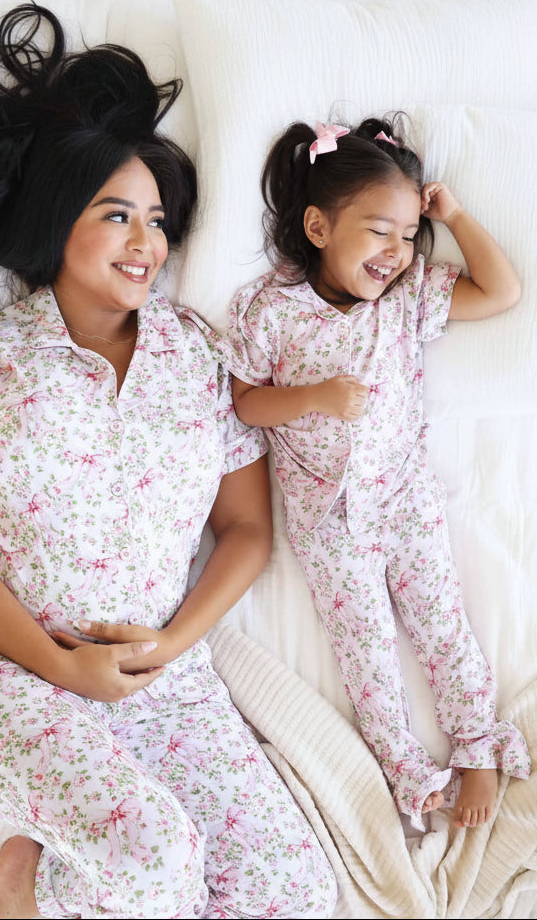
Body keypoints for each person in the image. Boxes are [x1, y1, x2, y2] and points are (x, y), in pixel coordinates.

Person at [0, 5, 337, 919]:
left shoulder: (200, 354)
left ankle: (45, 880)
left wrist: (173, 643)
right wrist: (56, 662)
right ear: (57, 222)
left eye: (156, 220)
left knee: (295, 896)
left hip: (164, 679)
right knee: (155, 868)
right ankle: (22, 890)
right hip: (1, 669)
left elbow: (244, 529)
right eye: (117, 214)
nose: (146, 243)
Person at [225, 116, 531, 833]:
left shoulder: (407, 300)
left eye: (405, 234)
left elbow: (503, 291)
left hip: (402, 500)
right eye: (377, 232)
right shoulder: (270, 309)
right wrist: (312, 399)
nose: (396, 252)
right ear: (319, 226)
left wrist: (451, 216)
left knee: (440, 622)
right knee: (364, 647)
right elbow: (244, 401)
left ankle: (478, 744)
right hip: (328, 521)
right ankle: (405, 770)